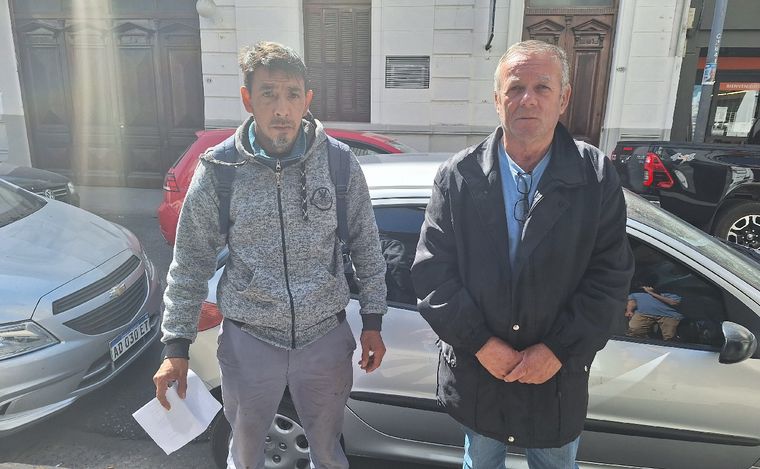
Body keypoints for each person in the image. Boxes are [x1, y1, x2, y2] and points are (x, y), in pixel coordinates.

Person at [153, 41, 388, 469]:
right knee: (244, 457)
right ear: (248, 99)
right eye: (269, 94)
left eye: (292, 94)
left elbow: (367, 245)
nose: (282, 108)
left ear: (307, 99)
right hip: (249, 342)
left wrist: (373, 320)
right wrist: (176, 345)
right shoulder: (219, 169)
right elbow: (189, 262)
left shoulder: (338, 163)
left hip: (325, 339)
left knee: (328, 454)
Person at [411, 40, 635, 469]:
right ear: (497, 100)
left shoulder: (594, 176)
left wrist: (557, 349)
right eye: (515, 88)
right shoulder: (459, 176)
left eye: (542, 87)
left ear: (564, 99)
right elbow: (432, 274)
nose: (527, 99)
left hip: (555, 380)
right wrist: (480, 343)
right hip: (481, 373)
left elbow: (610, 277)